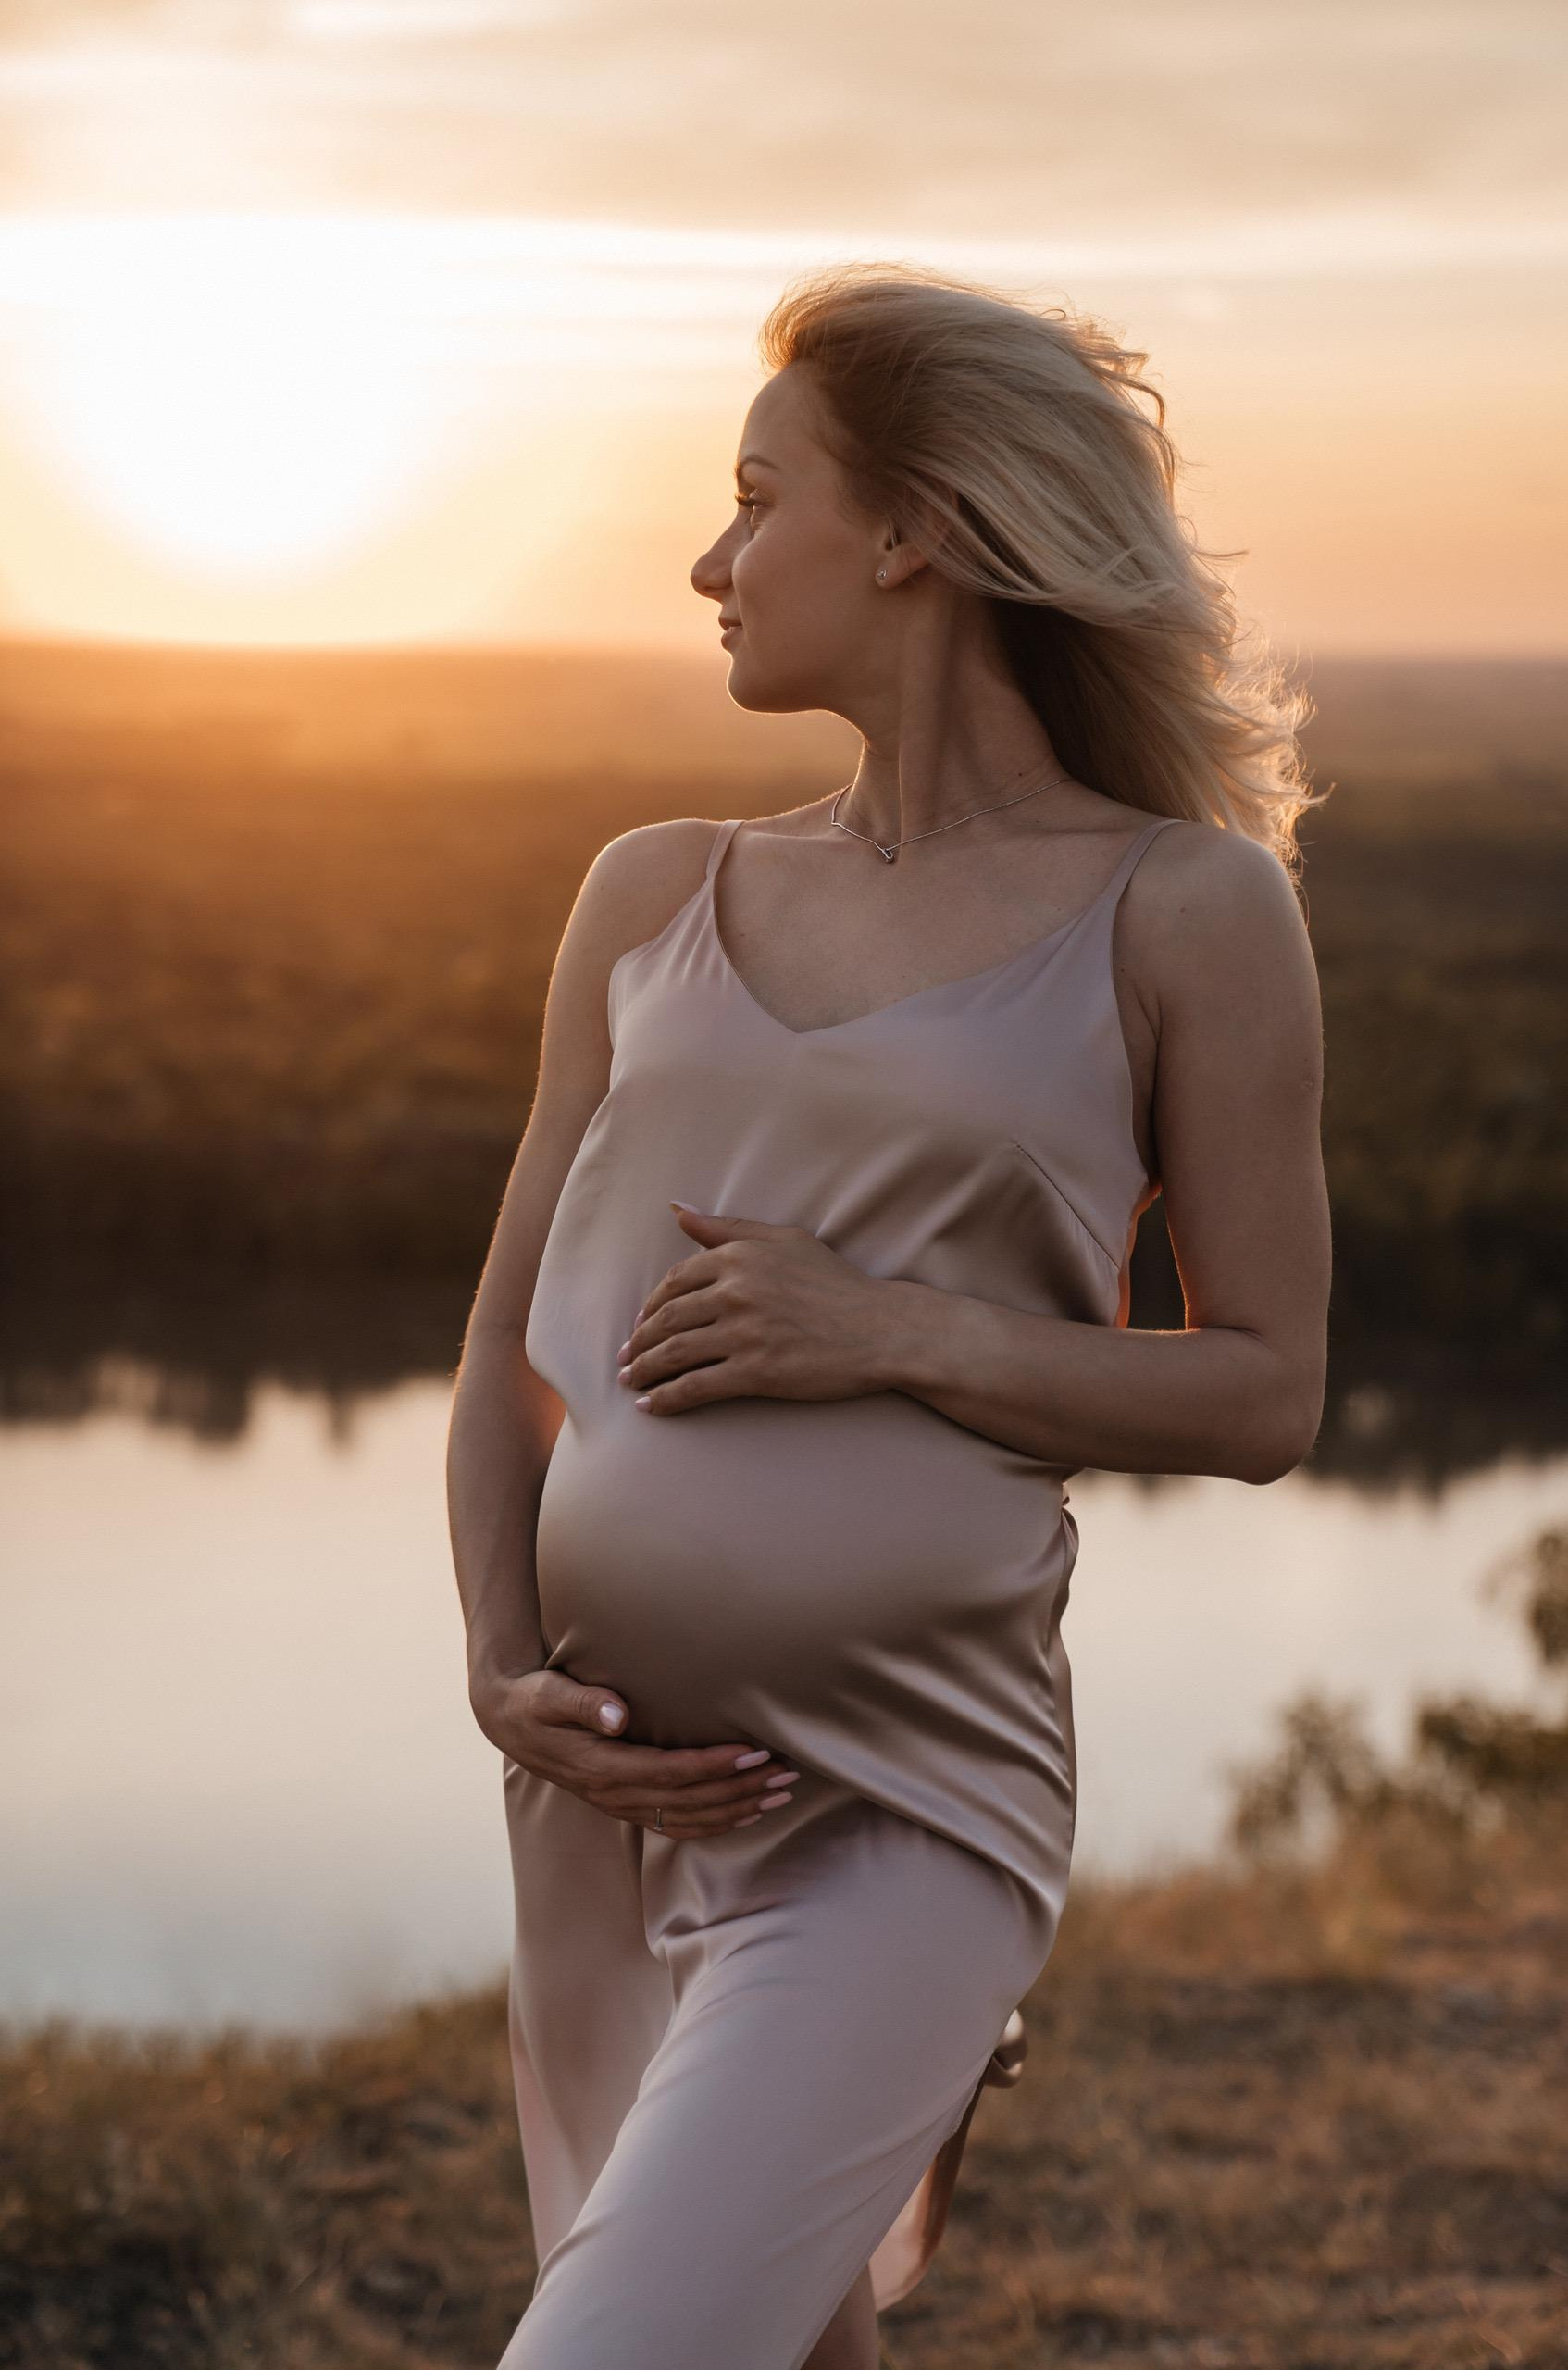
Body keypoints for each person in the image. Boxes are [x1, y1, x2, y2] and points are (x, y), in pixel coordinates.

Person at [445, 260, 1331, 2370]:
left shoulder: (1184, 910)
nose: (709, 556)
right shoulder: (648, 894)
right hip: (607, 1806)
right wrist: (500, 1666)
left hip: (904, 1796)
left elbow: (1264, 1385)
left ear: (915, 530)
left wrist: (890, 1328)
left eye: (759, 500)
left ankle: (918, 2009)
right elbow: (506, 1355)